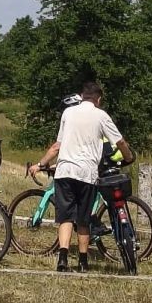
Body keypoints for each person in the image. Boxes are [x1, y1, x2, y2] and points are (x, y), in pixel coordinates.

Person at [31, 81, 135, 273]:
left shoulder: (68, 113)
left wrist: (41, 164)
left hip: (65, 172)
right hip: (86, 173)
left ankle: (62, 258)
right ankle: (83, 262)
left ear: (82, 95)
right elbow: (119, 141)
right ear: (98, 99)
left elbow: (57, 146)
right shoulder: (101, 116)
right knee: (83, 219)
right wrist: (129, 157)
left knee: (65, 217)